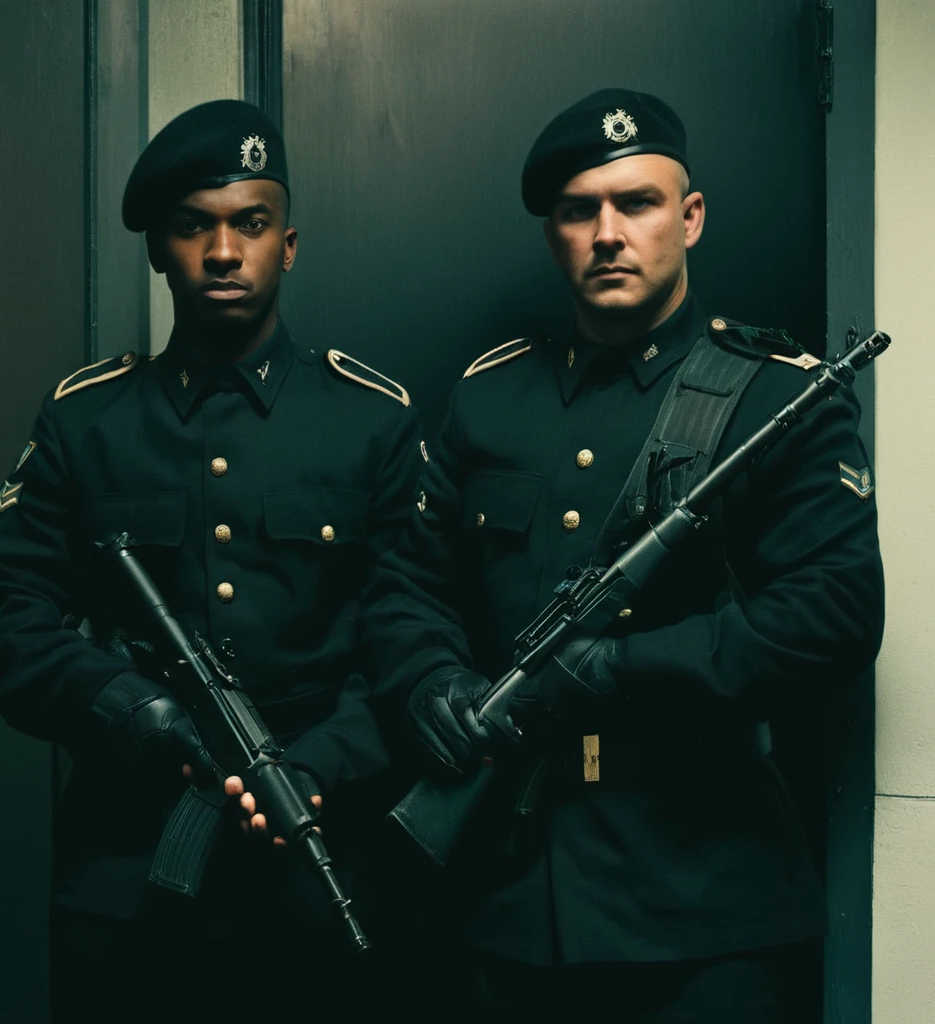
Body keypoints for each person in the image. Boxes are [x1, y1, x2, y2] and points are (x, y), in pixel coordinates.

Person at [360, 88, 883, 1021]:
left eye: (636, 203)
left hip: (709, 902)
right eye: (578, 210)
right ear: (553, 232)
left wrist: (620, 667)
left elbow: (834, 616)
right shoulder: (491, 398)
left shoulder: (776, 401)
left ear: (689, 218)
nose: (608, 232)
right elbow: (409, 585)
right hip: (508, 897)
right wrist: (430, 683)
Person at [0, 99, 420, 1021]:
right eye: (192, 227)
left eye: (250, 225)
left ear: (287, 245)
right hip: (125, 880)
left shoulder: (370, 419)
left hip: (317, 873)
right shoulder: (86, 419)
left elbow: (413, 633)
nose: (221, 252)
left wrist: (320, 765)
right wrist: (124, 704)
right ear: (159, 250)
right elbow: (0, 609)